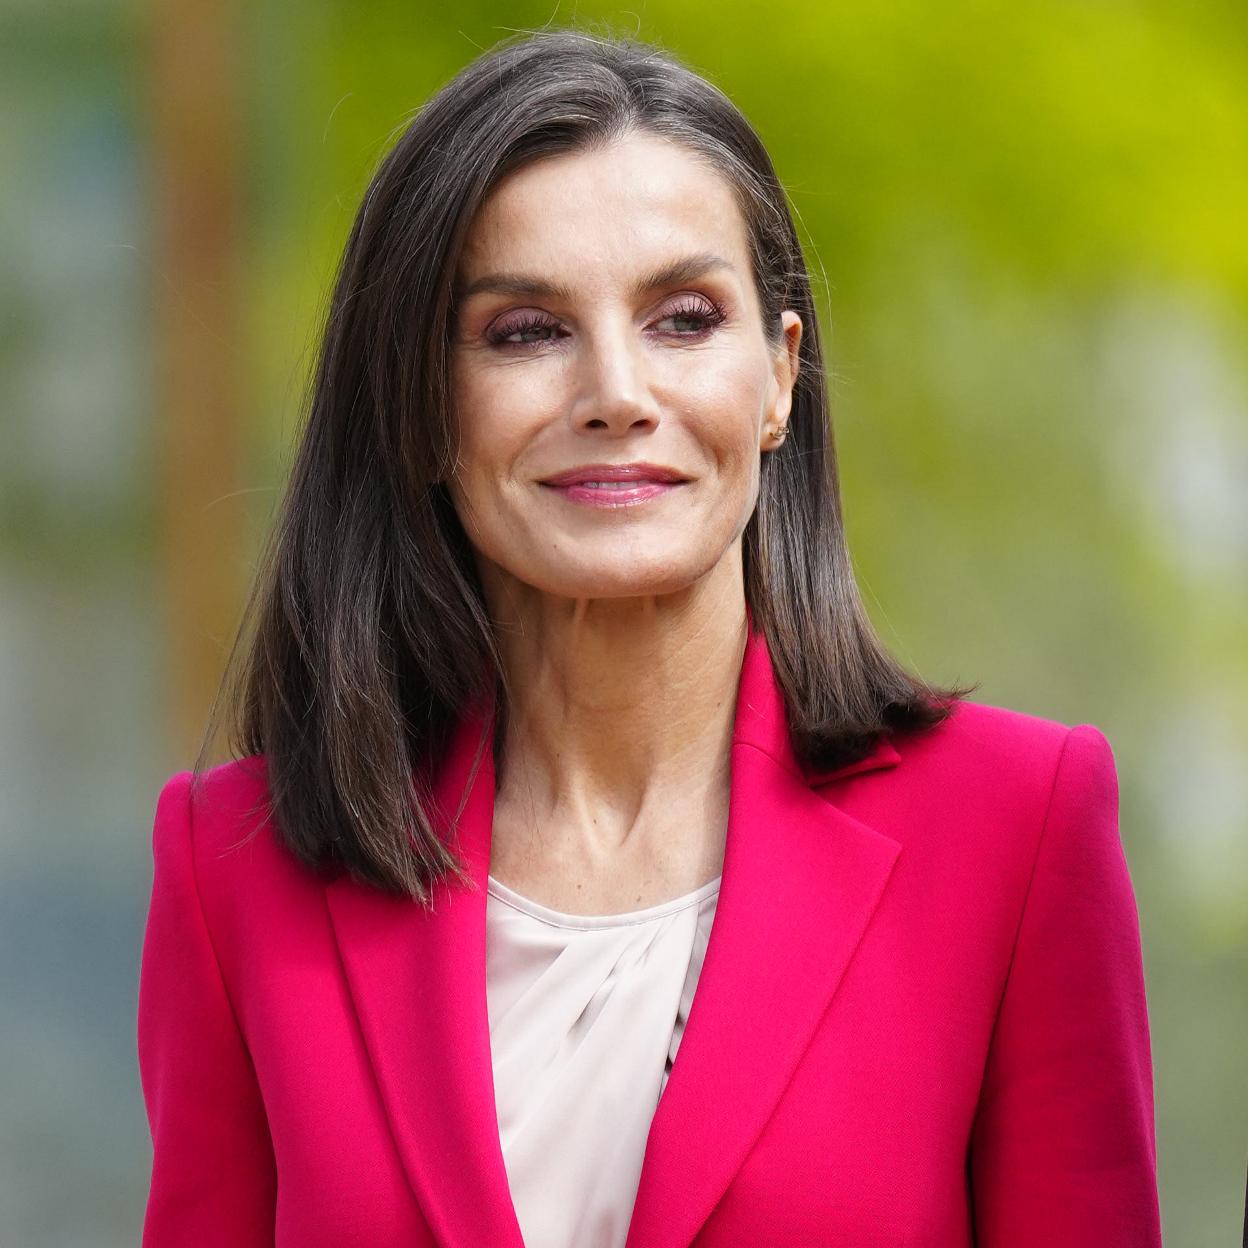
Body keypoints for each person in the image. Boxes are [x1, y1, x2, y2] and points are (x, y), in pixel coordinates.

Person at [136, 27, 1162, 1248]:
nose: (617, 391)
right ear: (416, 407)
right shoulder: (234, 870)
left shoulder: (1017, 828)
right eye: (524, 331)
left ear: (780, 380)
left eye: (683, 318)